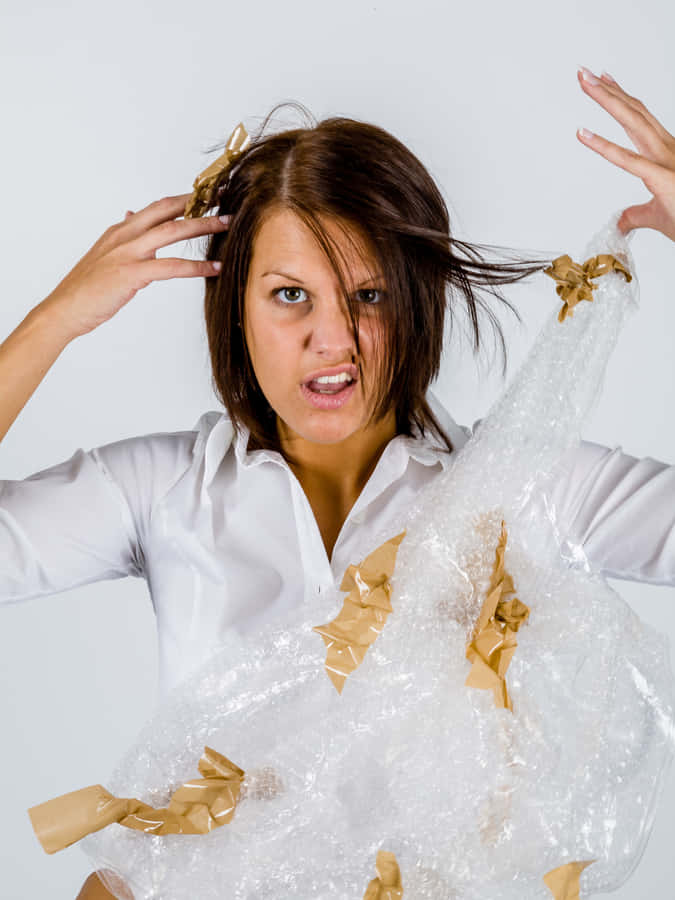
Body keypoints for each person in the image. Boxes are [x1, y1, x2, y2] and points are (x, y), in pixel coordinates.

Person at [1, 67, 674, 900]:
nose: (333, 338)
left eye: (369, 295)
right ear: (235, 307)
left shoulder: (521, 485)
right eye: (290, 295)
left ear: (416, 302)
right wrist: (54, 322)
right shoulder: (162, 490)